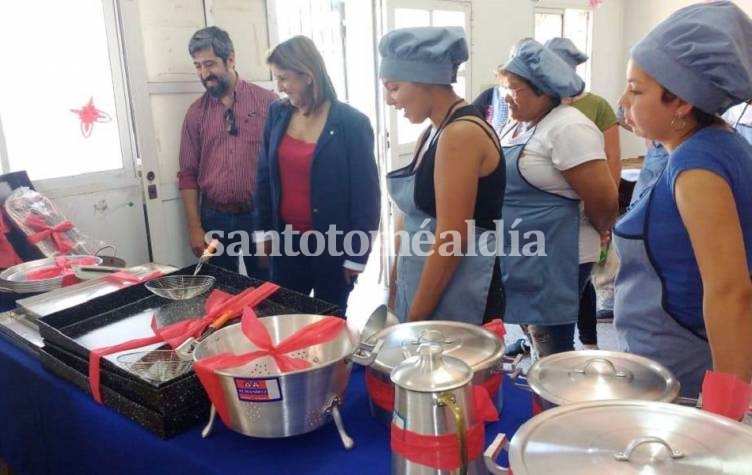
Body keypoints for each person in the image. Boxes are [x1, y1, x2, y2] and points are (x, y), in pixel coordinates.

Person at [615, 1, 752, 398]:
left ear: (682, 101)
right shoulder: (718, 144)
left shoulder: (696, 166)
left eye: (637, 90)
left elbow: (729, 291)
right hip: (672, 356)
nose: (623, 101)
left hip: (685, 370)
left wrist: (726, 405)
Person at [498, 38, 618, 358]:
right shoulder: (517, 124)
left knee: (553, 346)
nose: (506, 97)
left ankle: (558, 404)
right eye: (504, 88)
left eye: (514, 89)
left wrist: (599, 229)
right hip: (525, 249)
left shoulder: (569, 128)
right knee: (534, 332)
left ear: (543, 90)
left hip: (559, 254)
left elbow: (604, 202)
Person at [380, 26, 505, 324]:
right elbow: (408, 215)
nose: (389, 100)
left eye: (394, 88)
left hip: (455, 291)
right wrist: (396, 289)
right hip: (422, 281)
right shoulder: (432, 132)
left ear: (426, 81)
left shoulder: (461, 134)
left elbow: (452, 239)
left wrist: (416, 318)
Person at [254, 36, 380, 314]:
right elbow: (264, 176)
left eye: (284, 78)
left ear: (308, 75)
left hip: (333, 245)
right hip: (286, 244)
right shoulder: (277, 113)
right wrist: (262, 232)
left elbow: (366, 197)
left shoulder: (351, 123)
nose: (279, 87)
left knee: (328, 326)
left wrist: (356, 256)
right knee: (285, 321)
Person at [178, 26, 277, 275]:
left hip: (259, 216)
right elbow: (188, 175)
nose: (204, 73)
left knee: (267, 288)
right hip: (214, 218)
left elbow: (283, 166)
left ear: (230, 59)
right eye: (198, 66)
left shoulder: (268, 104)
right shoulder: (195, 113)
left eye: (209, 64)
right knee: (221, 289)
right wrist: (194, 227)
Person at [545, 37, 622, 350]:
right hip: (549, 215)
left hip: (587, 208)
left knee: (582, 276)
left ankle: (589, 341)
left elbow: (612, 162)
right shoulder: (542, 105)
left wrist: (605, 219)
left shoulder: (597, 107)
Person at [472, 66, 510, 136]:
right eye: (502, 75)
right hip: (493, 133)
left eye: (506, 75)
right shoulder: (490, 94)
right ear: (497, 77)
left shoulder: (517, 93)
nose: (505, 78)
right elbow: (473, 111)